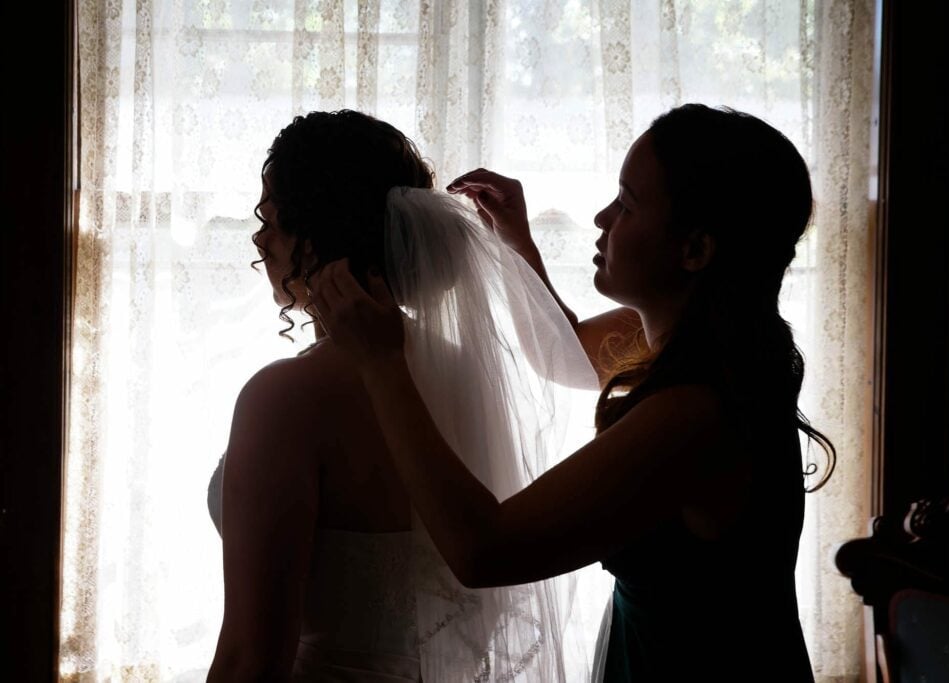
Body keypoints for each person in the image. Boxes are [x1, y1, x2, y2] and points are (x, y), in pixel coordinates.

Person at [311, 103, 835, 681]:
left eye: (627, 204)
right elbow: (565, 352)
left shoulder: (694, 414)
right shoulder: (705, 343)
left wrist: (384, 364)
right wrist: (516, 244)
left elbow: (484, 550)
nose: (601, 217)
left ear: (695, 250)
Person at [206, 109, 591, 681]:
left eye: (272, 215)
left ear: (315, 234)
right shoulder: (462, 370)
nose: (260, 237)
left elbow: (251, 659)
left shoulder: (283, 398)